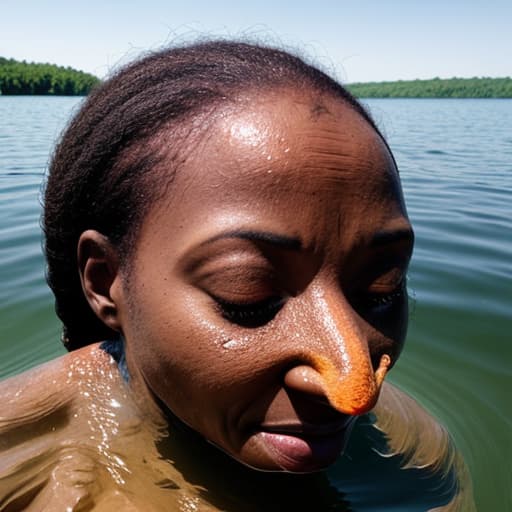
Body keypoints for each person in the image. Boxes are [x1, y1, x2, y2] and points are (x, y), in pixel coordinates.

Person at [0, 41, 474, 511]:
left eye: (380, 289)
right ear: (105, 283)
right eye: (247, 297)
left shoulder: (422, 467)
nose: (355, 388)